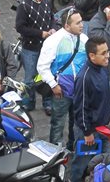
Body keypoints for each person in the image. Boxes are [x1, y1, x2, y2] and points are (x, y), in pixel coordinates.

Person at [37, 9, 89, 148]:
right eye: (78, 23)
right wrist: (54, 85)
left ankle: (72, 147)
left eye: (81, 21)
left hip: (79, 91)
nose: (82, 25)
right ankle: (55, 152)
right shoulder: (53, 41)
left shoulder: (84, 39)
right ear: (67, 26)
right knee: (58, 123)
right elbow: (42, 66)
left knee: (77, 122)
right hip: (61, 91)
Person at [70, 37, 110, 182]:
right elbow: (80, 108)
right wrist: (87, 133)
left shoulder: (102, 69)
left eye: (108, 51)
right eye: (104, 53)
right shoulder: (84, 77)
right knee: (81, 164)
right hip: (89, 132)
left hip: (104, 128)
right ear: (91, 56)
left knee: (106, 161)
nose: (108, 56)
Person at [16, 0, 56, 113]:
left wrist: (52, 28)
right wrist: (41, 34)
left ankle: (48, 102)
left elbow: (52, 18)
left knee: (47, 75)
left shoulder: (46, 1)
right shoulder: (24, 6)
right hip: (30, 49)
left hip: (47, 48)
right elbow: (20, 28)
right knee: (30, 78)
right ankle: (29, 101)